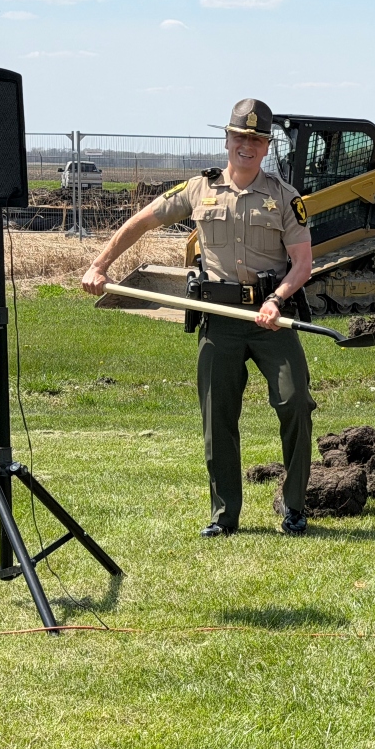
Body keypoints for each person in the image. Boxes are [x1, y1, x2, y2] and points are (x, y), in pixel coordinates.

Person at [82, 99, 316, 538]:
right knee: (217, 416)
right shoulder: (199, 189)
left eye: (256, 139)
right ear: (227, 139)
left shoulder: (285, 198)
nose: (246, 145)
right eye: (239, 136)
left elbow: (303, 263)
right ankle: (225, 515)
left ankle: (294, 506)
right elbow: (140, 222)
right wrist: (100, 264)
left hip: (270, 319)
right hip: (218, 319)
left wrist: (278, 300)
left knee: (296, 402)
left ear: (266, 146)